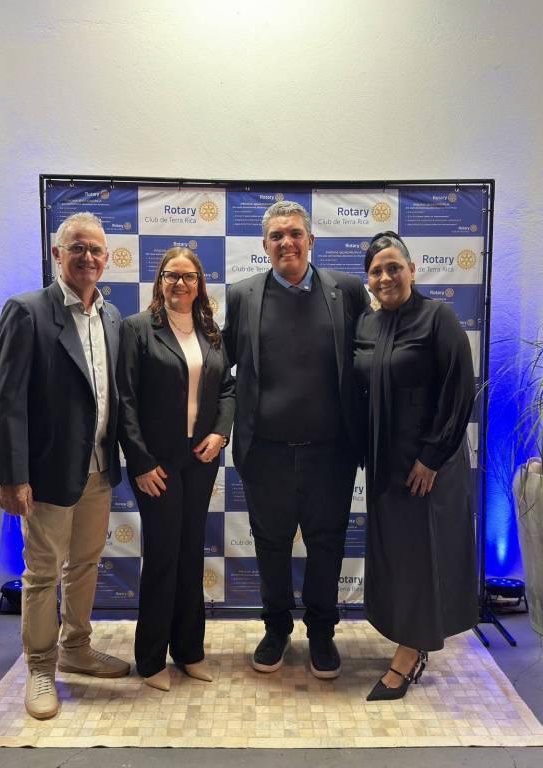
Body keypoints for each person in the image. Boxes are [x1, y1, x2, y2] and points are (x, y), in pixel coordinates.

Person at [0, 212, 130, 720]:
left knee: (85, 565)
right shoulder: (27, 311)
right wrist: (12, 476)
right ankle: (40, 667)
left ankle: (76, 648)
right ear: (57, 254)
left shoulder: (112, 317)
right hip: (47, 473)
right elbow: (6, 400)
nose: (88, 257)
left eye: (96, 249)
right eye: (77, 248)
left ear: (106, 258)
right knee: (43, 572)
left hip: (98, 469)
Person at [222, 200, 369, 679]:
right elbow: (221, 365)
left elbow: (372, 359)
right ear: (264, 245)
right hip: (265, 454)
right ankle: (276, 628)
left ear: (311, 240)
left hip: (331, 453)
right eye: (277, 236)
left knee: (327, 544)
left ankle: (322, 632)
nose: (287, 242)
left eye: (295, 233)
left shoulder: (347, 291)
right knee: (271, 545)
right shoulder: (242, 295)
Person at [354, 231, 477, 701]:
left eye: (394, 267)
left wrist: (431, 457)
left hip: (428, 465)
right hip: (386, 463)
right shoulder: (368, 323)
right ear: (368, 279)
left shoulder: (437, 318)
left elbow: (459, 391)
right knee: (397, 556)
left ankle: (410, 653)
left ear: (411, 270)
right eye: (376, 271)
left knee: (423, 556)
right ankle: (405, 635)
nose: (385, 277)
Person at [117, 247, 234, 692]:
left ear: (200, 283)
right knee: (163, 556)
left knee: (190, 555)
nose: (180, 284)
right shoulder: (138, 329)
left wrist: (220, 433)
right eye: (171, 275)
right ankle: (150, 660)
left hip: (200, 460)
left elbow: (228, 388)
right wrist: (141, 462)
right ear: (160, 281)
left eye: (188, 277)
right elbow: (126, 400)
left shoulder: (210, 331)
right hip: (157, 465)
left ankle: (189, 651)